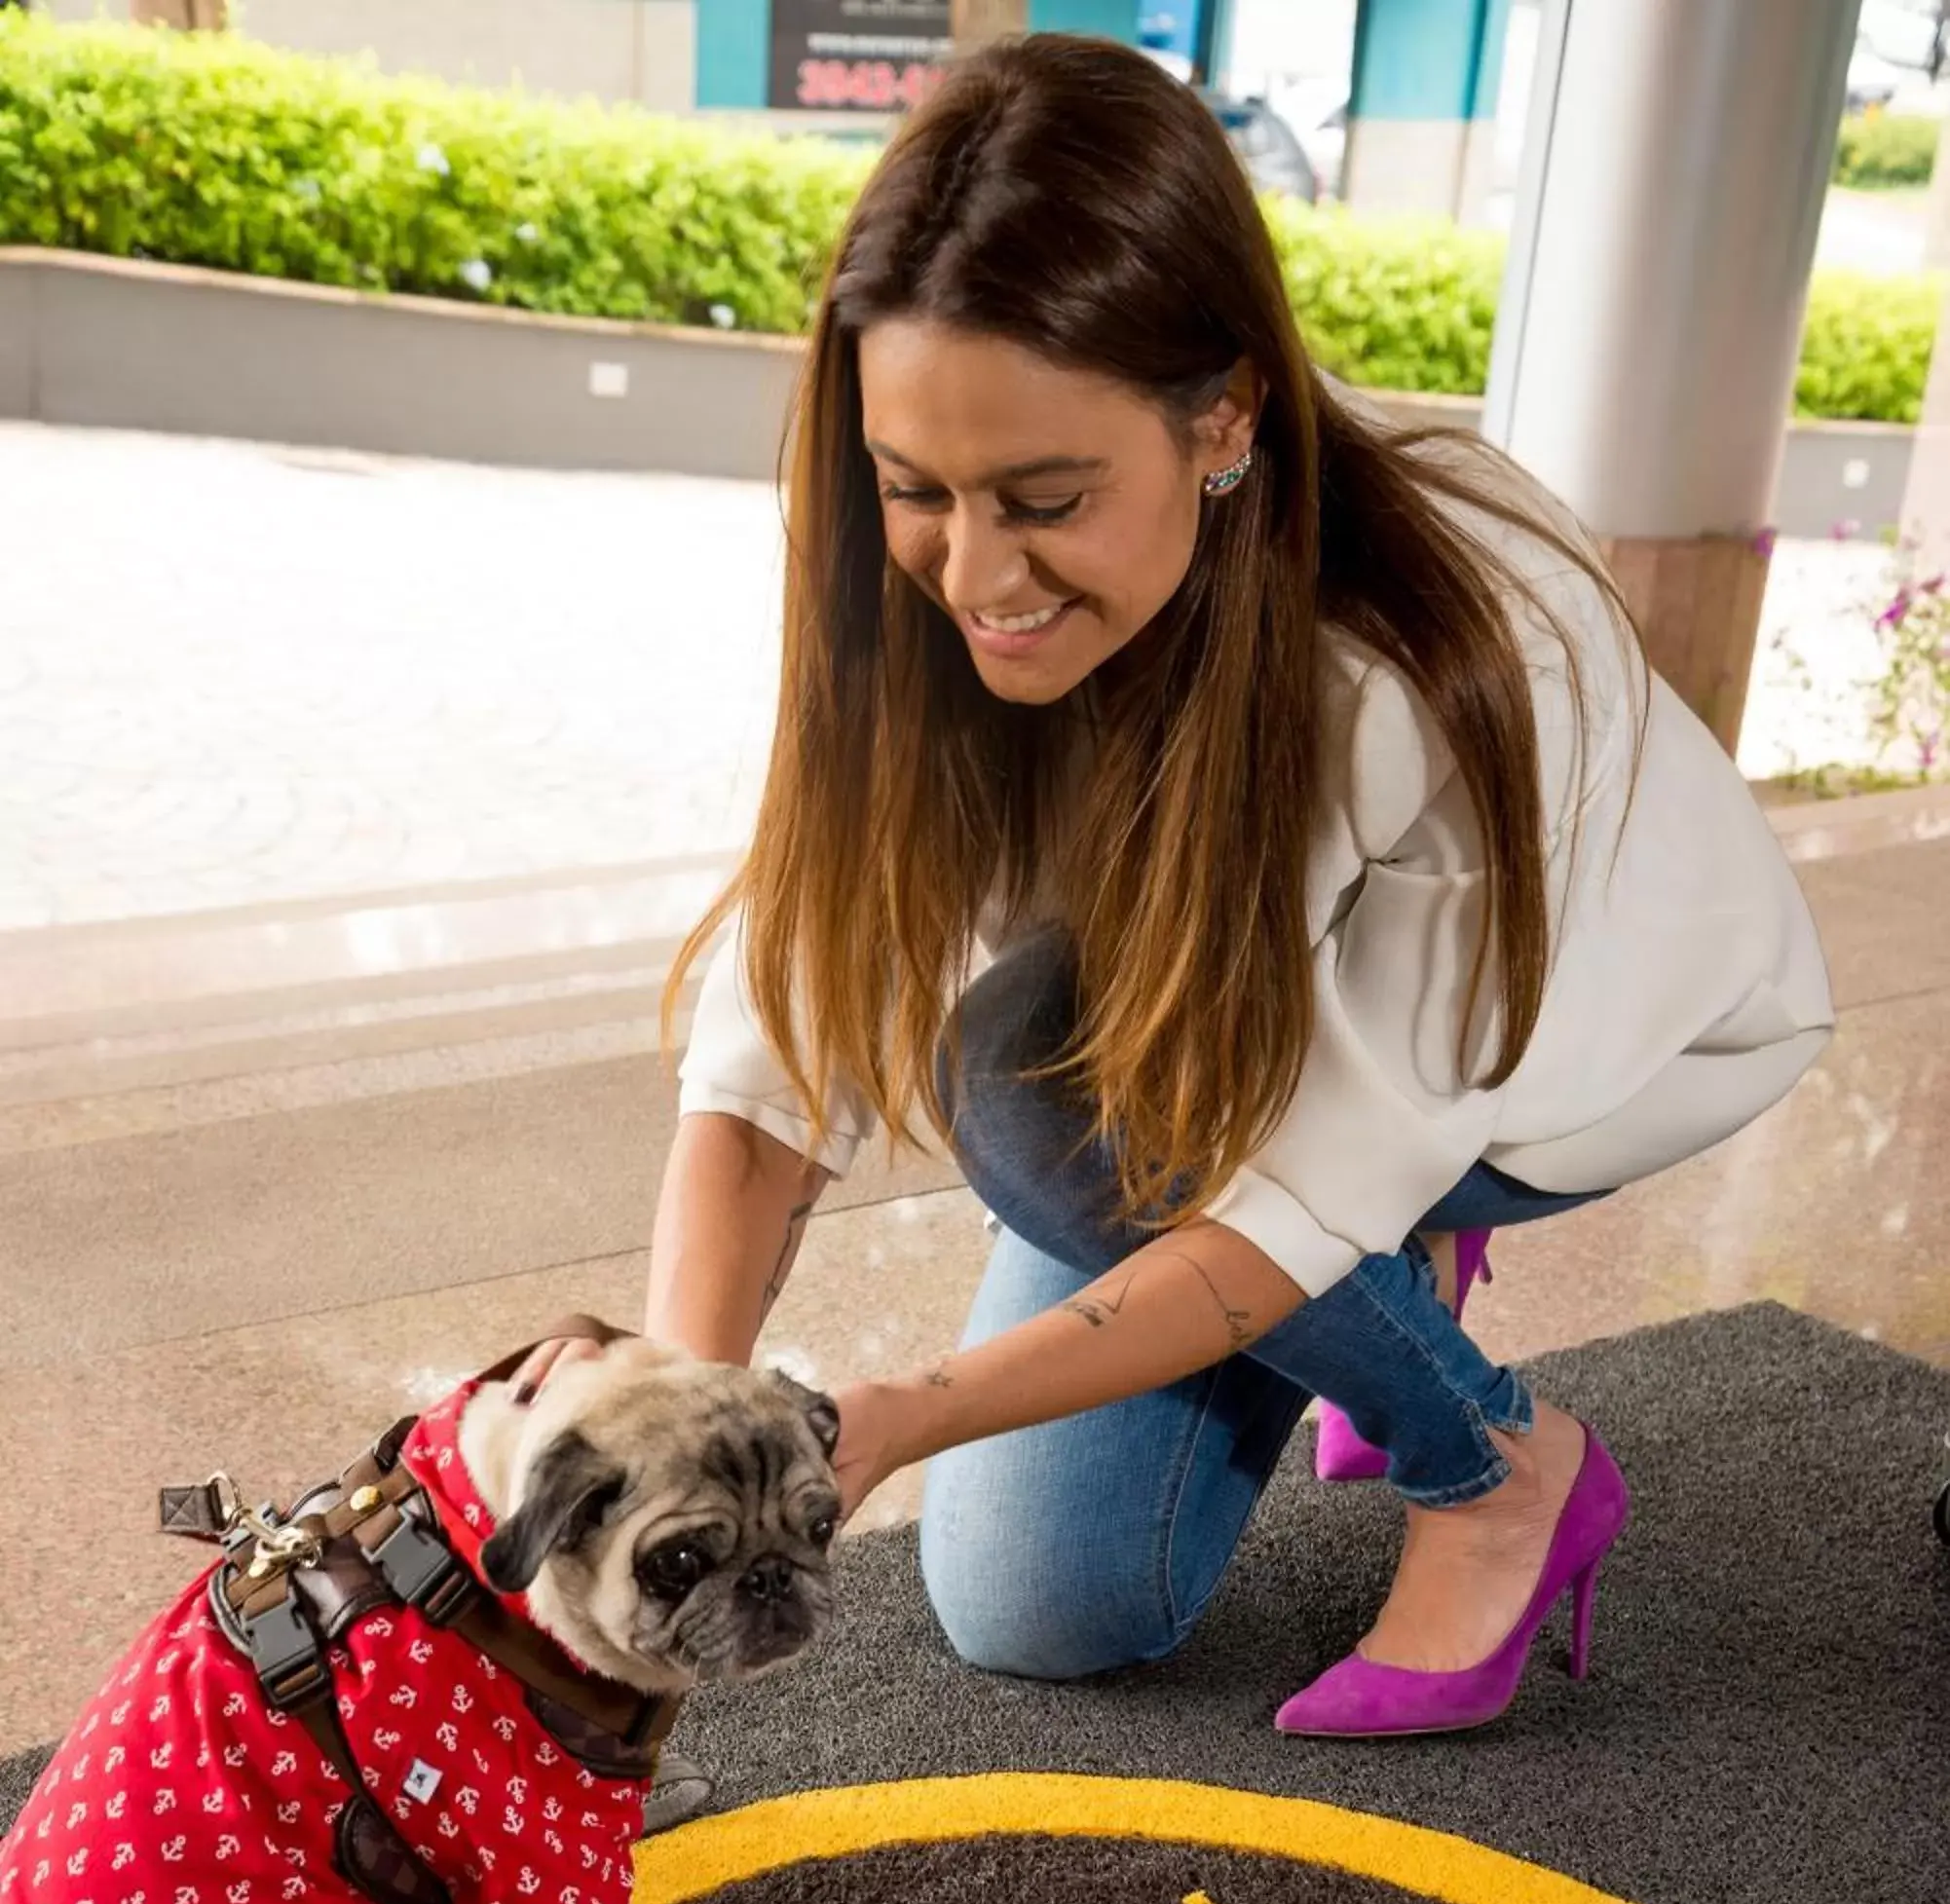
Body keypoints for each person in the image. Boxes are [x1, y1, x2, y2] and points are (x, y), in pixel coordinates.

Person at [527, 33, 1831, 1742]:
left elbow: (1296, 1196)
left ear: (1220, 417)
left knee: (1019, 1084)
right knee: (1041, 1607)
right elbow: (785, 1046)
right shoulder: (914, 585)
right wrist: (677, 1411)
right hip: (1225, 1024)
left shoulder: (1440, 660)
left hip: (1568, 1063)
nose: (972, 575)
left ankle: (1496, 1471)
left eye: (1044, 500)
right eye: (915, 490)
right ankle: (1389, 1286)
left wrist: (912, 1408)